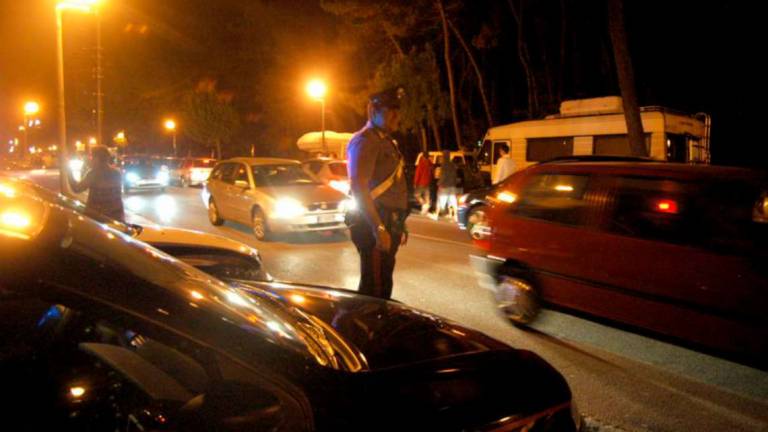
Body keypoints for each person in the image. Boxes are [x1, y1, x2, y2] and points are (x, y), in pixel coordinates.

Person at [346, 86, 409, 300]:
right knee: (374, 289)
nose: (396, 116)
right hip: (374, 224)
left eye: (397, 111)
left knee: (383, 281)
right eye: (390, 111)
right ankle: (364, 329)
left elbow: (393, 186)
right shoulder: (364, 141)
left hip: (389, 221)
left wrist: (401, 223)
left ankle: (375, 325)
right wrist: (378, 227)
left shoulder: (386, 141)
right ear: (373, 110)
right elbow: (358, 187)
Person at [68, 146, 124, 221]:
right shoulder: (116, 173)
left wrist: (68, 171)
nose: (90, 160)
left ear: (97, 159)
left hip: (97, 218)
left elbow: (77, 189)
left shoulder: (94, 174)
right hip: (115, 217)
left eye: (92, 157)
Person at [432, 150, 458, 221]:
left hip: (444, 186)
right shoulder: (452, 164)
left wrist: (439, 183)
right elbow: (455, 175)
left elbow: (443, 176)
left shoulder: (444, 165)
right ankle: (455, 215)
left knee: (439, 200)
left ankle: (436, 215)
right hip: (452, 186)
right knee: (452, 201)